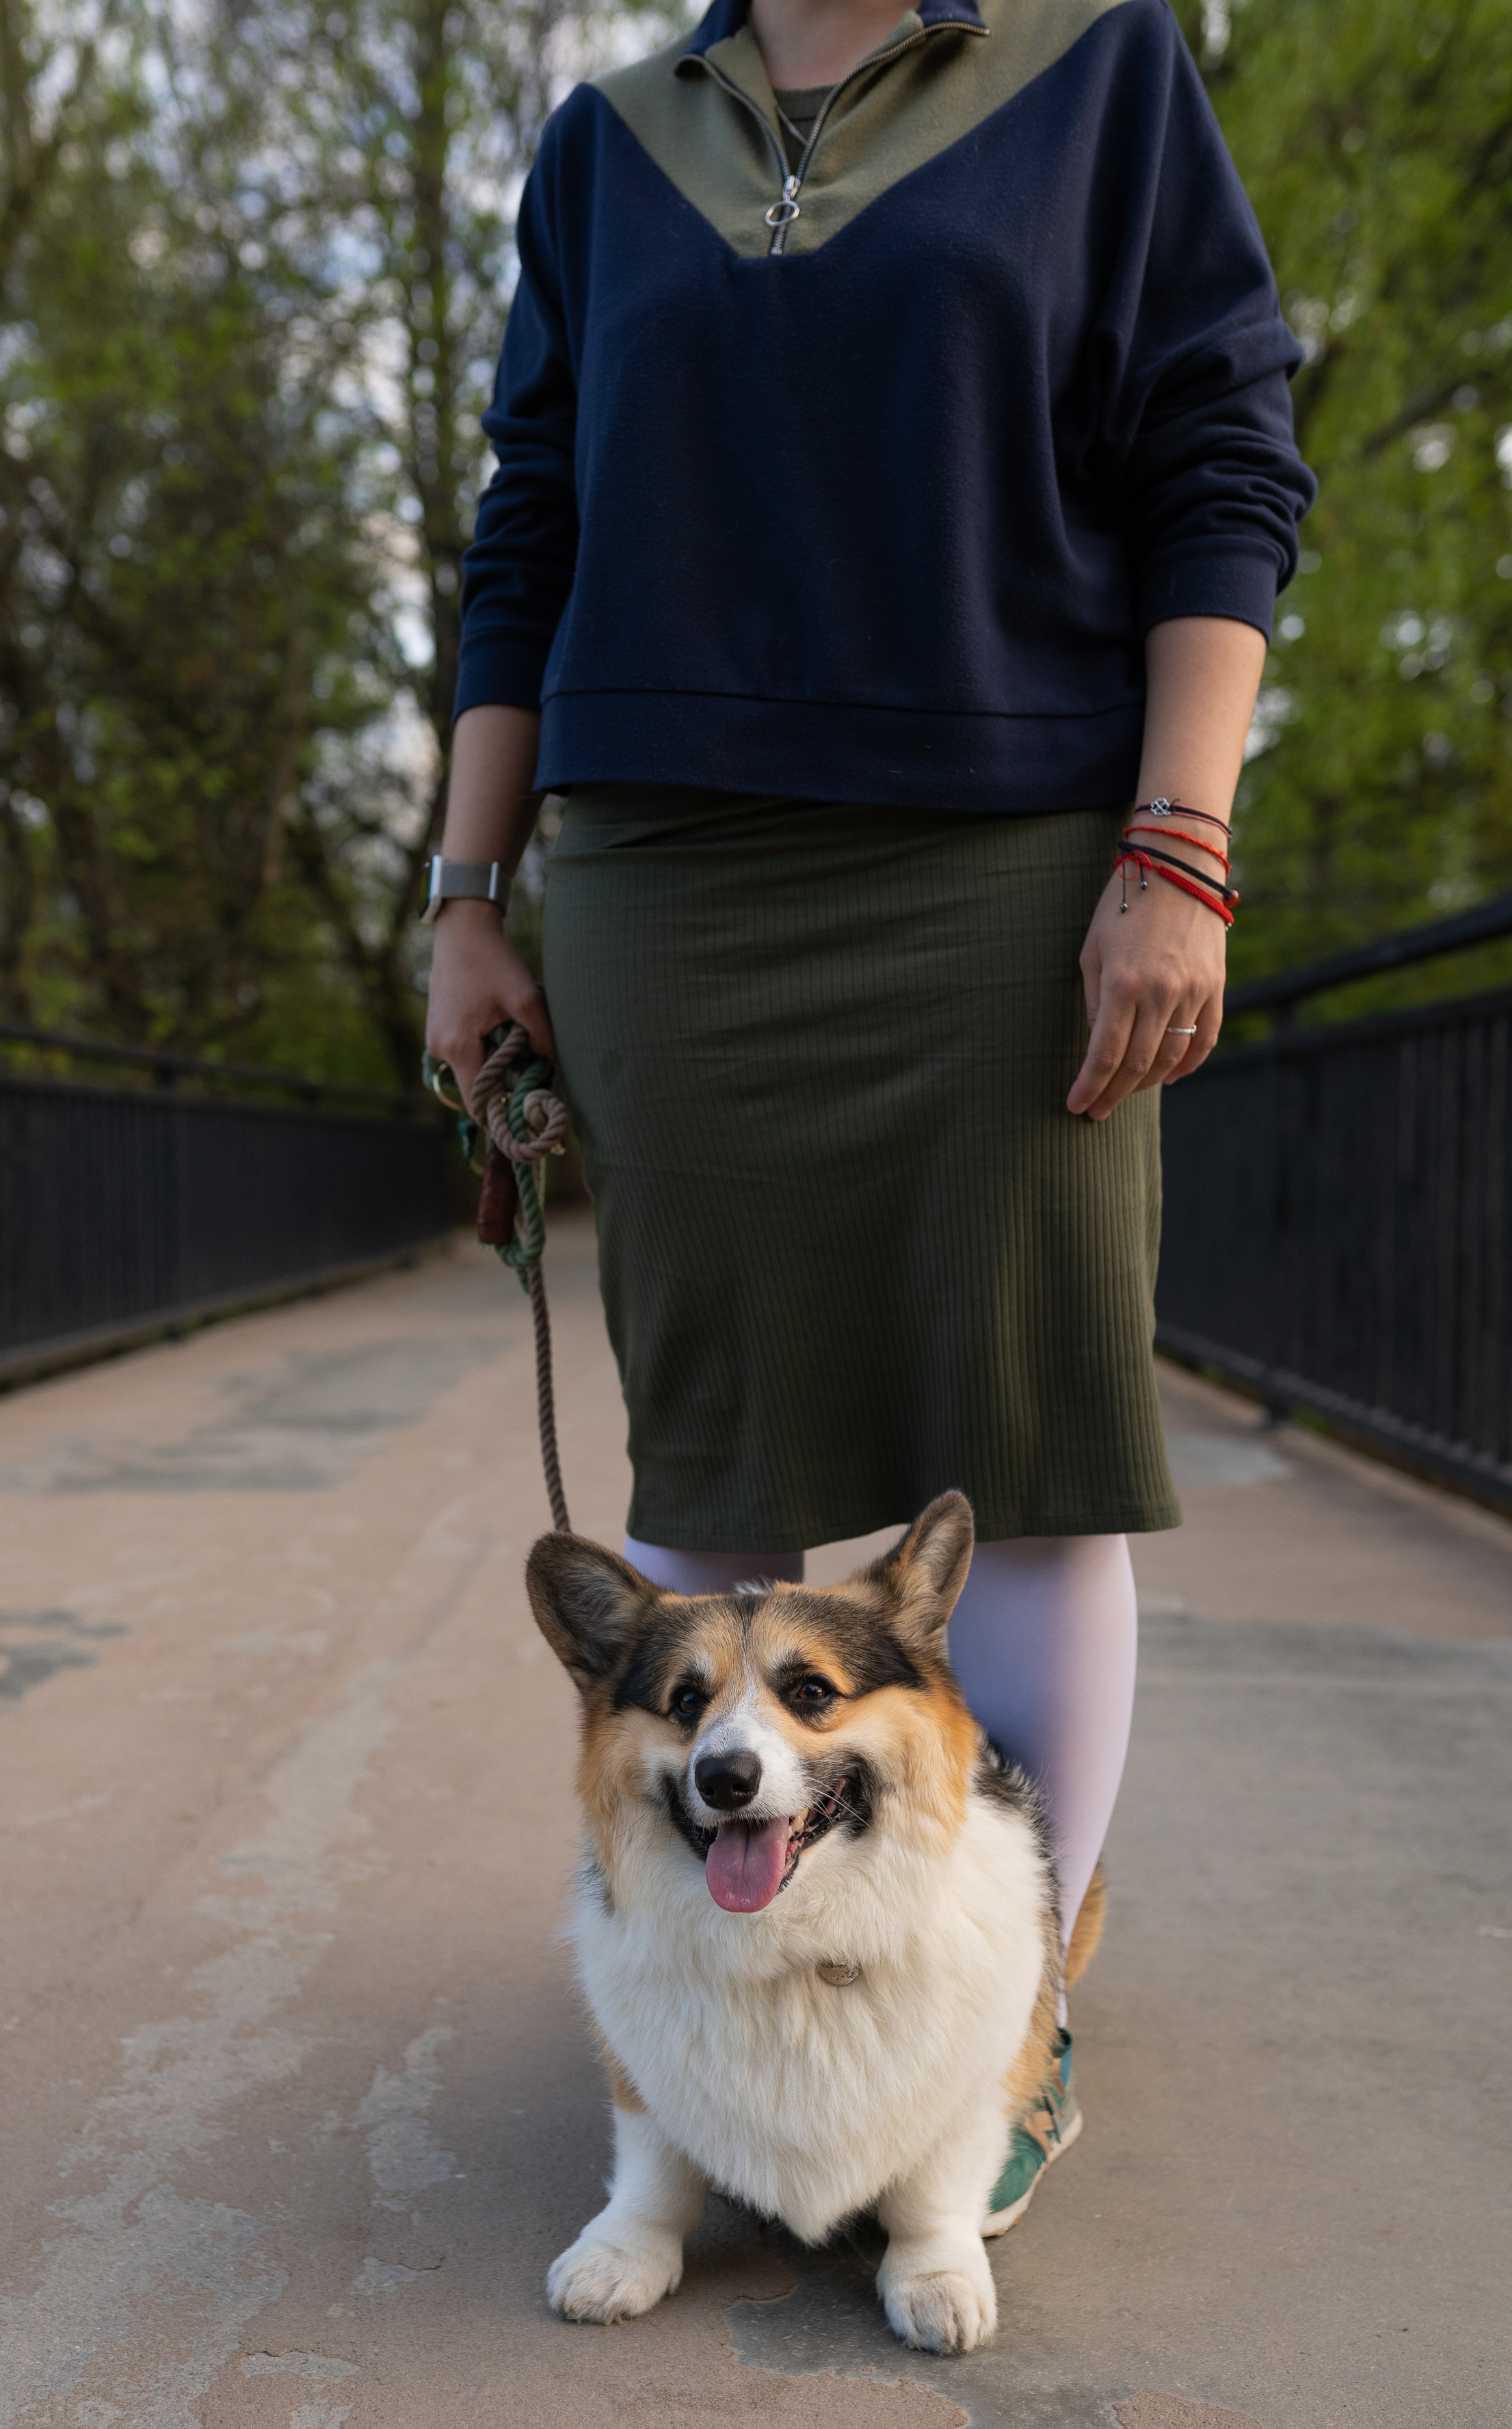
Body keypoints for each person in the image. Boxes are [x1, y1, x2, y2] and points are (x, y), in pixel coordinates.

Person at [424, 0, 1314, 2227]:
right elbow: (533, 510)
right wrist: (463, 890)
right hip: (667, 876)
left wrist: (1178, 845)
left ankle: (1002, 2021)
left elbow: (1222, 444)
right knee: (709, 1454)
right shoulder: (612, 140)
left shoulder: (1098, 75)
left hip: (1016, 854)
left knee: (1022, 1443)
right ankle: (699, 2031)